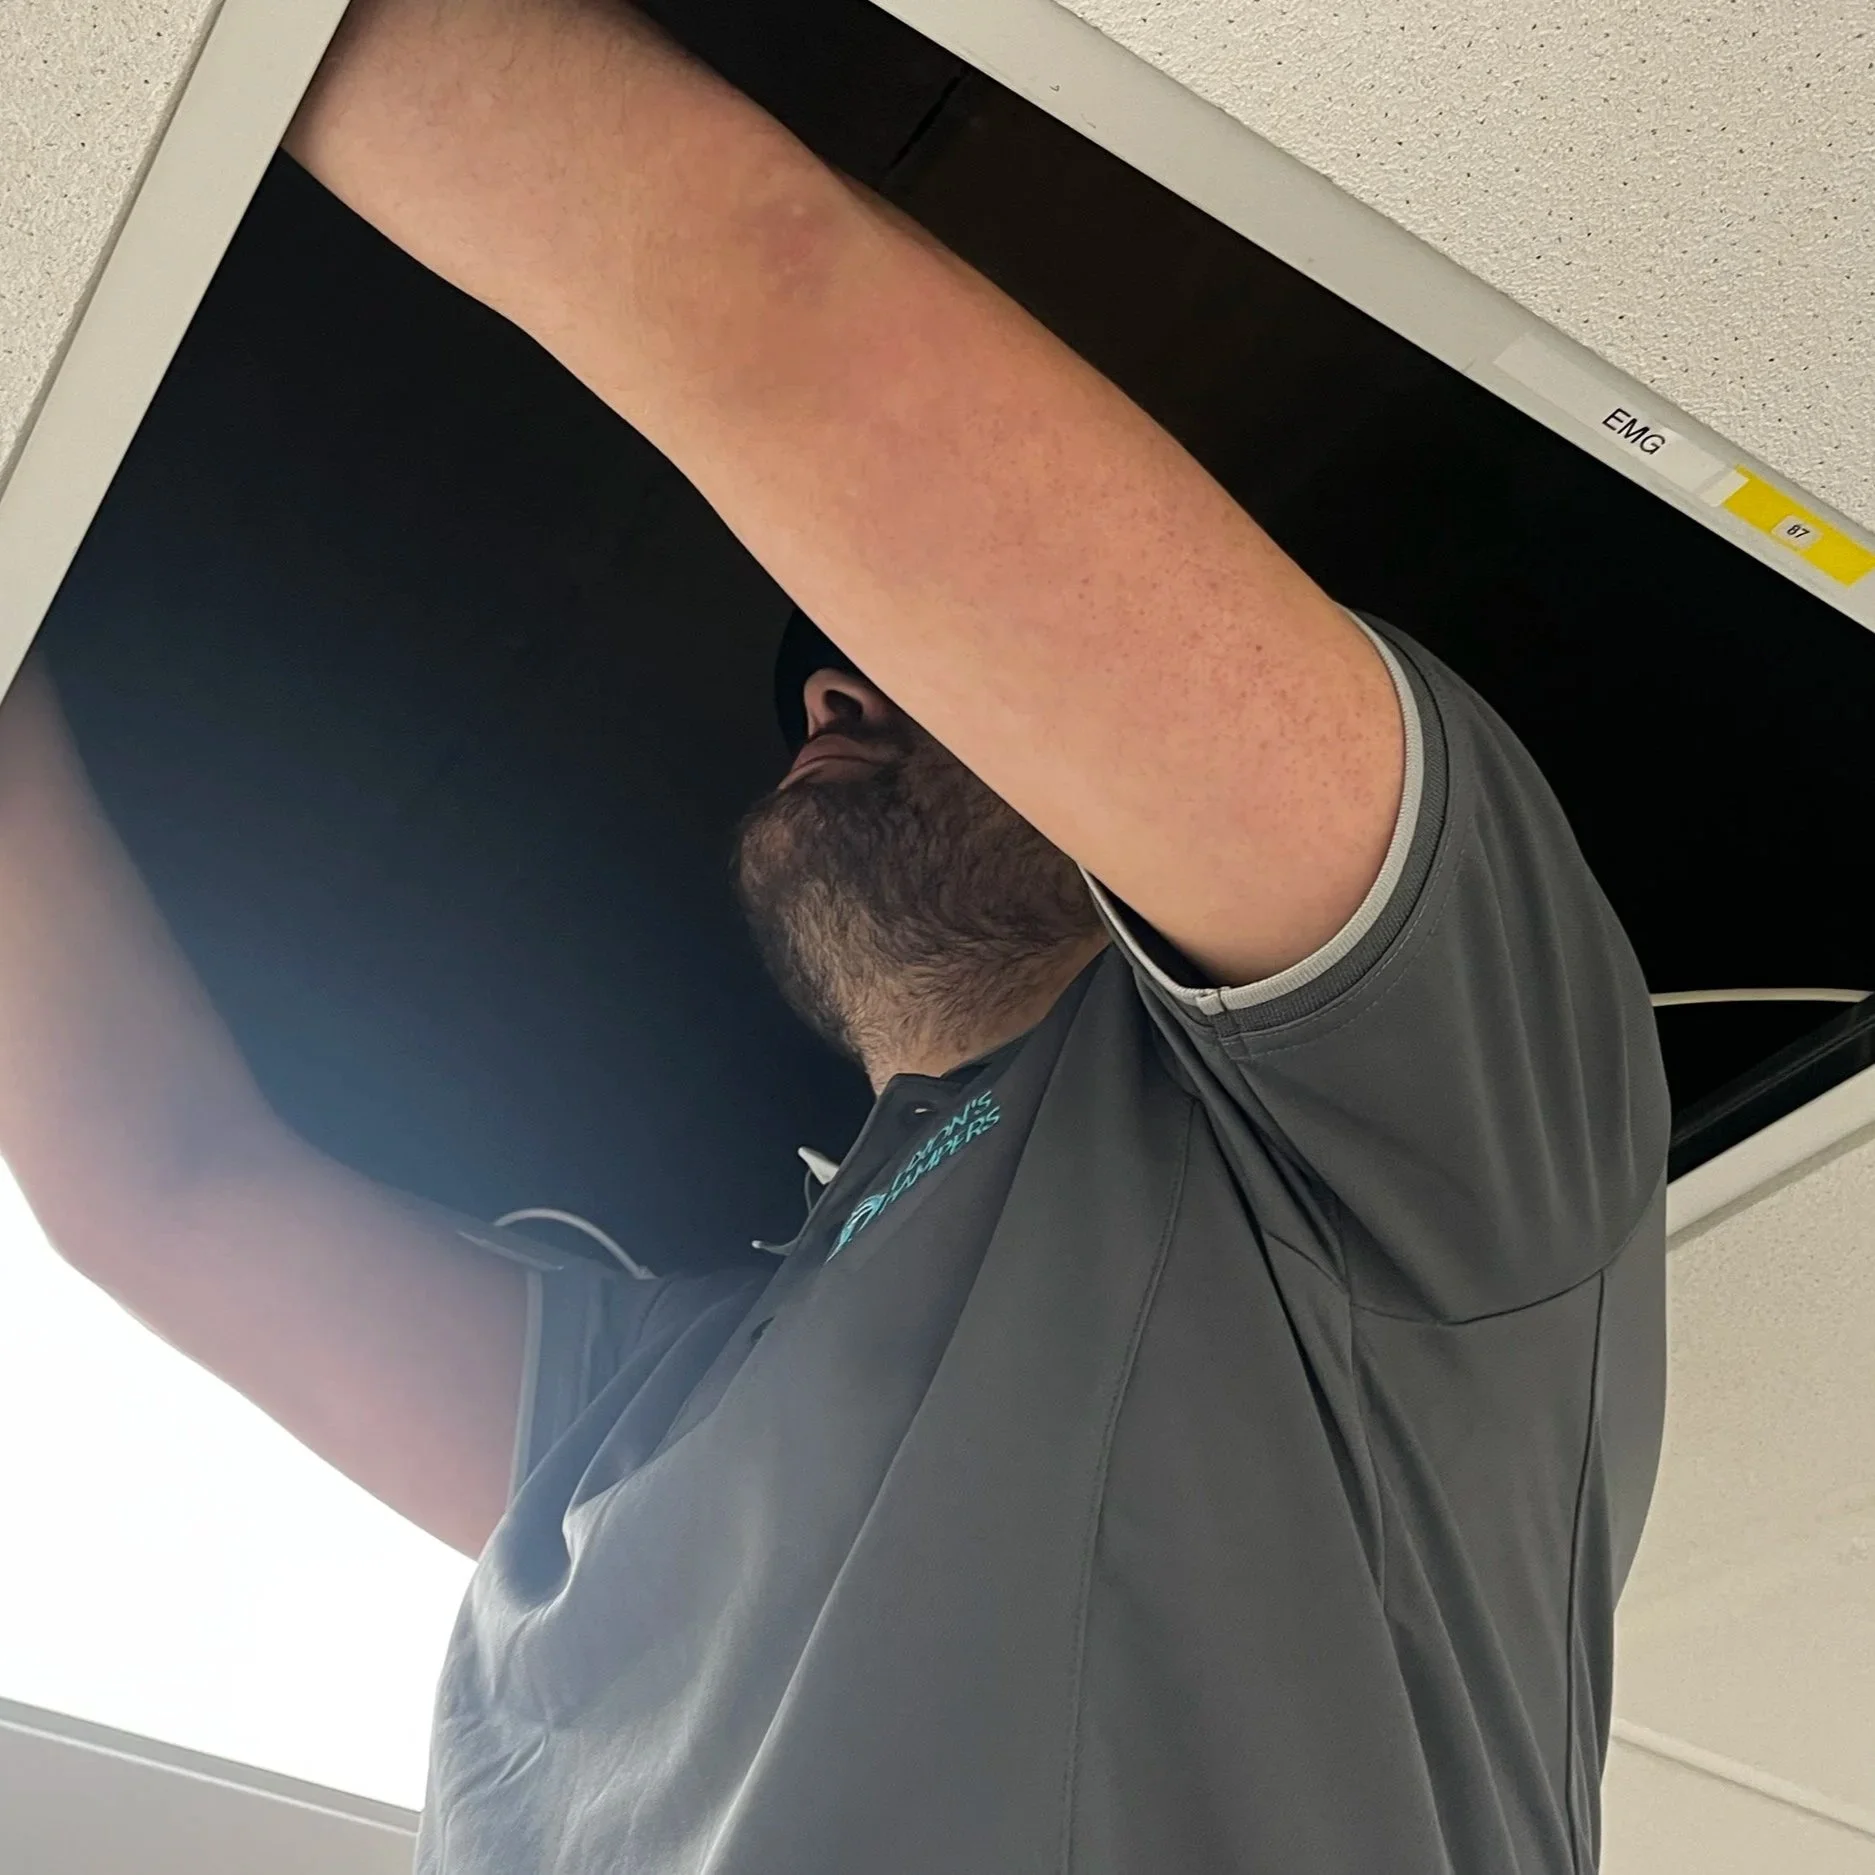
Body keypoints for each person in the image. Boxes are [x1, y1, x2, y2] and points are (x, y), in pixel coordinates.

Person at [0, 1, 1670, 1869]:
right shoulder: (663, 1402)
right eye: (811, 676)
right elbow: (156, 1174)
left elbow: (774, 303)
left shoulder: (1417, 1084)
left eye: (902, 647)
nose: (829, 686)